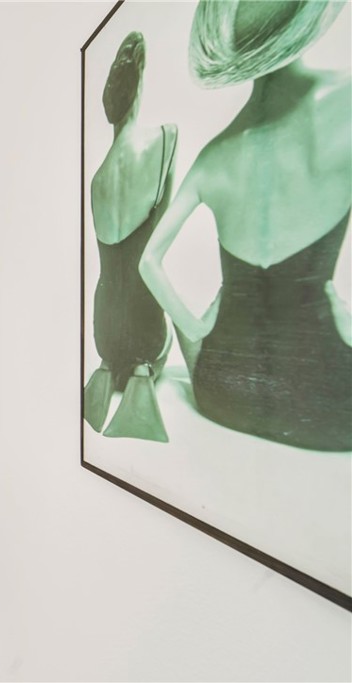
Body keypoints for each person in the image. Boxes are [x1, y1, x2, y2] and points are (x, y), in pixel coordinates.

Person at [139, 0, 351, 451]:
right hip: (332, 400)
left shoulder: (215, 155)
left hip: (221, 390)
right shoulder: (346, 106)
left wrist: (194, 334)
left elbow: (148, 261)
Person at [85, 31, 178, 442]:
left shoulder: (96, 180)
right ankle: (141, 370)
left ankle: (109, 369)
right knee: (161, 344)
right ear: (139, 86)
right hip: (145, 321)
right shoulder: (166, 139)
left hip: (103, 326)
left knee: (114, 350)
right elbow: (154, 249)